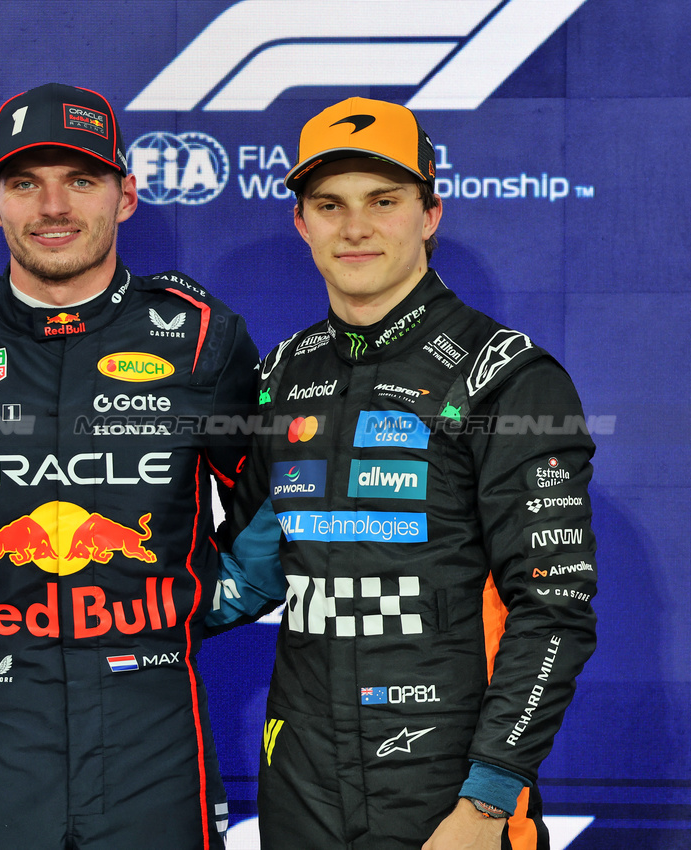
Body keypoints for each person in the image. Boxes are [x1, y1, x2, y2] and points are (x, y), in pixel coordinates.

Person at [214, 97, 598, 849]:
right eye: (329, 205)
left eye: (382, 201)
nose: (354, 227)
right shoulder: (280, 376)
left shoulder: (506, 376)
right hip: (299, 785)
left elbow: (553, 610)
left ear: (429, 213)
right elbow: (248, 567)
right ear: (301, 223)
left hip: (448, 789)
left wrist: (486, 801)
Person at [0, 83, 259, 850]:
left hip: (152, 751)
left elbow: (271, 512)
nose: (53, 207)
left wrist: (195, 600)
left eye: (81, 181)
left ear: (125, 196)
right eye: (26, 184)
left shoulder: (203, 340)